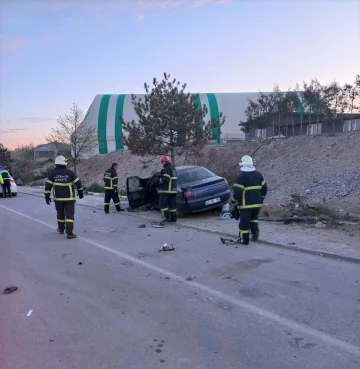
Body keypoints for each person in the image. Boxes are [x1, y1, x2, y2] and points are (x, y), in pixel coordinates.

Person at [44, 155, 84, 239]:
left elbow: (48, 186)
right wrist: (80, 192)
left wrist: (47, 196)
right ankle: (70, 233)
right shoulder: (70, 172)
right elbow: (78, 182)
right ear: (64, 163)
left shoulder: (53, 174)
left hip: (58, 199)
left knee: (60, 214)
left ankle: (61, 229)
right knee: (69, 216)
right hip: (69, 198)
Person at [231, 155, 267, 245]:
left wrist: (233, 200)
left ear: (242, 165)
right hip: (257, 203)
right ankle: (255, 232)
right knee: (254, 218)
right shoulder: (258, 175)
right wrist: (261, 199)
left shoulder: (241, 177)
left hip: (245, 204)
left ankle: (244, 240)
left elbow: (237, 192)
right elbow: (265, 188)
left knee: (244, 222)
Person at [158, 155, 178, 222]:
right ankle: (173, 219)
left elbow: (166, 179)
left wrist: (160, 180)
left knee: (162, 204)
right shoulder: (173, 168)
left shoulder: (166, 169)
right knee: (173, 206)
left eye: (162, 162)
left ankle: (167, 218)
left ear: (163, 162)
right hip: (173, 190)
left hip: (167, 191)